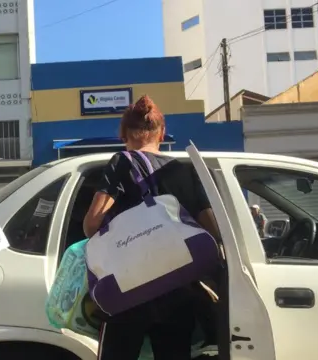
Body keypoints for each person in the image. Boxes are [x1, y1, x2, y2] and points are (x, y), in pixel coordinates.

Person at [83, 95, 222, 360]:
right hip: (178, 288)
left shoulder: (122, 162)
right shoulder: (184, 170)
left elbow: (92, 224)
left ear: (124, 134)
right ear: (162, 133)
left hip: (129, 287)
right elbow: (212, 230)